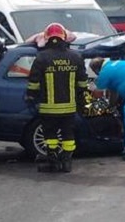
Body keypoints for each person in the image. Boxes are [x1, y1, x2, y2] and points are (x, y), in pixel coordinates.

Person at [25, 23, 88, 173]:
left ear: (47, 38)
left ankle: (53, 162)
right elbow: (82, 83)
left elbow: (33, 83)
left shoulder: (42, 57)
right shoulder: (75, 57)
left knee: (50, 136)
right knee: (68, 134)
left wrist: (31, 97)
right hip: (69, 107)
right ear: (64, 37)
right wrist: (81, 99)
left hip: (48, 108)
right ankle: (66, 163)